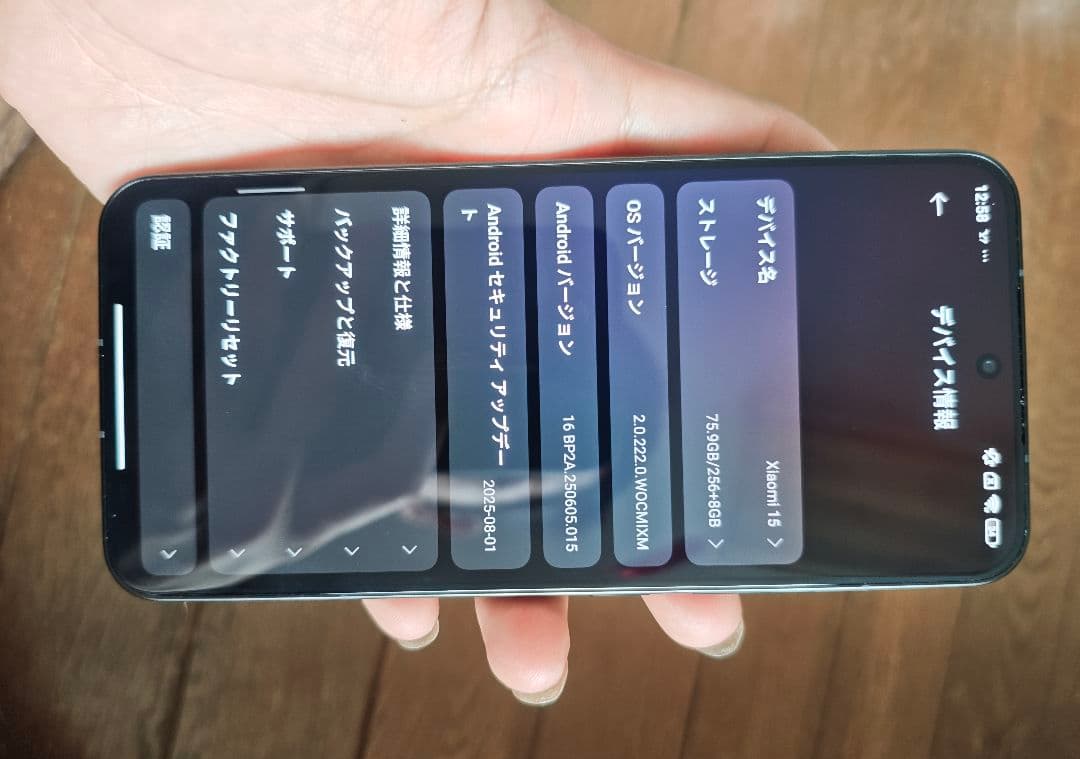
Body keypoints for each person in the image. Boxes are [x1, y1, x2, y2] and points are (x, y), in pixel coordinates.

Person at [0, 0, 831, 713]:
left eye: (482, 435)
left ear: (452, 522)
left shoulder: (251, 505)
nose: (421, 379)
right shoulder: (257, 502)